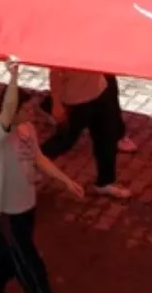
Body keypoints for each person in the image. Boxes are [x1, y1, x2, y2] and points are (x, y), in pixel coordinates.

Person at [0, 58, 84, 293]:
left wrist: (64, 180)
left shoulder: (28, 130)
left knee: (4, 252)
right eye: (23, 108)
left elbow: (38, 158)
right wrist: (14, 76)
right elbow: (9, 106)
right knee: (29, 263)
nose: (29, 112)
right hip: (7, 210)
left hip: (26, 206)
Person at [41, 68, 131, 199]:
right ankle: (32, 160)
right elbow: (55, 73)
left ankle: (104, 182)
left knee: (107, 139)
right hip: (75, 101)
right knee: (64, 140)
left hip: (101, 92)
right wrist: (56, 103)